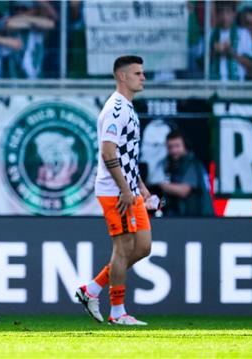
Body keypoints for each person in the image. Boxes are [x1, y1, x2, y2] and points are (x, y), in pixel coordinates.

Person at [75, 55, 152, 326]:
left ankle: (91, 290)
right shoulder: (115, 109)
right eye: (137, 73)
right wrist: (124, 189)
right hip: (115, 191)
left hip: (129, 189)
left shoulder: (128, 108)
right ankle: (117, 312)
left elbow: (127, 154)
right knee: (123, 248)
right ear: (122, 76)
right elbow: (108, 151)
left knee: (142, 247)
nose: (143, 77)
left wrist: (140, 188)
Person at [159, 130, 215, 217]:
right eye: (170, 147)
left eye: (177, 146)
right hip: (185, 217)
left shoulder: (192, 164)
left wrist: (159, 184)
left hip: (199, 217)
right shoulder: (170, 164)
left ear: (185, 146)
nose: (174, 150)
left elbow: (183, 191)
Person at [209, 1, 252, 81]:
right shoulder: (211, 34)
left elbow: (250, 65)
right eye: (221, 12)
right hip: (214, 85)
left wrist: (231, 52)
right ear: (217, 14)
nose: (224, 16)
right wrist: (214, 50)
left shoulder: (244, 34)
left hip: (236, 86)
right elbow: (202, 63)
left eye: (228, 12)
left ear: (234, 14)